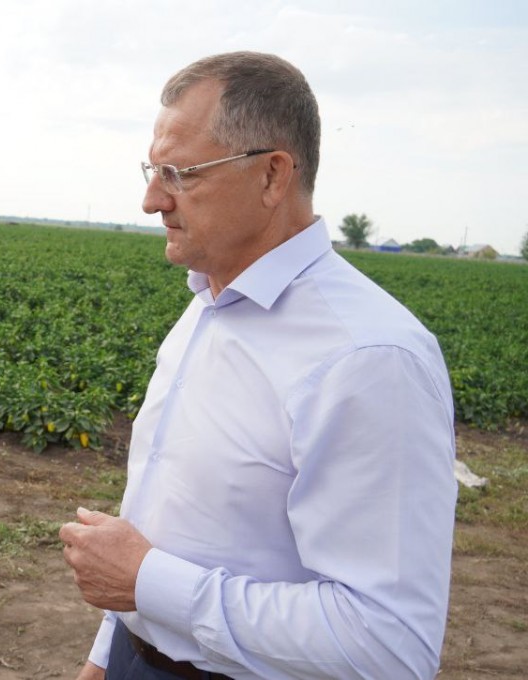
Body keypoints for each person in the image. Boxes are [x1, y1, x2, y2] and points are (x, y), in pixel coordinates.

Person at [60, 51, 456, 680]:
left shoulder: (368, 359)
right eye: (151, 169)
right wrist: (106, 654)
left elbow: (388, 646)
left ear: (273, 176)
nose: (150, 200)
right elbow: (168, 518)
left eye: (178, 173)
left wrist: (148, 582)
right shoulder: (208, 305)